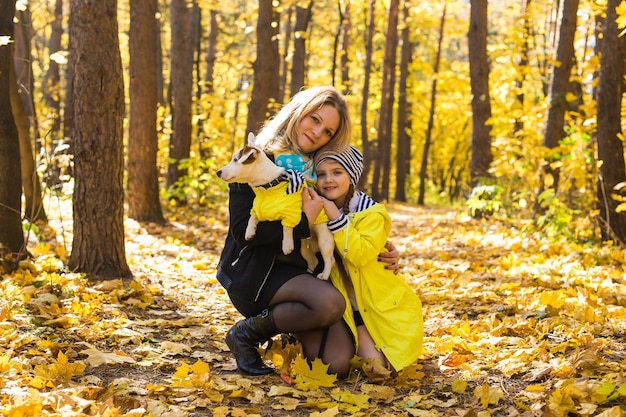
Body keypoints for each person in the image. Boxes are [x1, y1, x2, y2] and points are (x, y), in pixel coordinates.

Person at [217, 86, 400, 378]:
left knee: (335, 366)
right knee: (330, 302)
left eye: (328, 131)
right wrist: (303, 223)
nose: (317, 133)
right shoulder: (256, 158)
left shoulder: (316, 171)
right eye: (314, 119)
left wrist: (382, 247)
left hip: (303, 277)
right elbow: (242, 233)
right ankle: (245, 334)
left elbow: (348, 212)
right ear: (298, 112)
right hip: (256, 275)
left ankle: (289, 326)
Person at [308, 145, 423, 375]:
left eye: (337, 172)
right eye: (321, 174)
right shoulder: (316, 208)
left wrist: (336, 218)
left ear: (351, 177)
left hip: (378, 304)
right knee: (371, 363)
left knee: (386, 368)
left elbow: (359, 255)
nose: (328, 180)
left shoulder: (372, 214)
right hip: (348, 309)